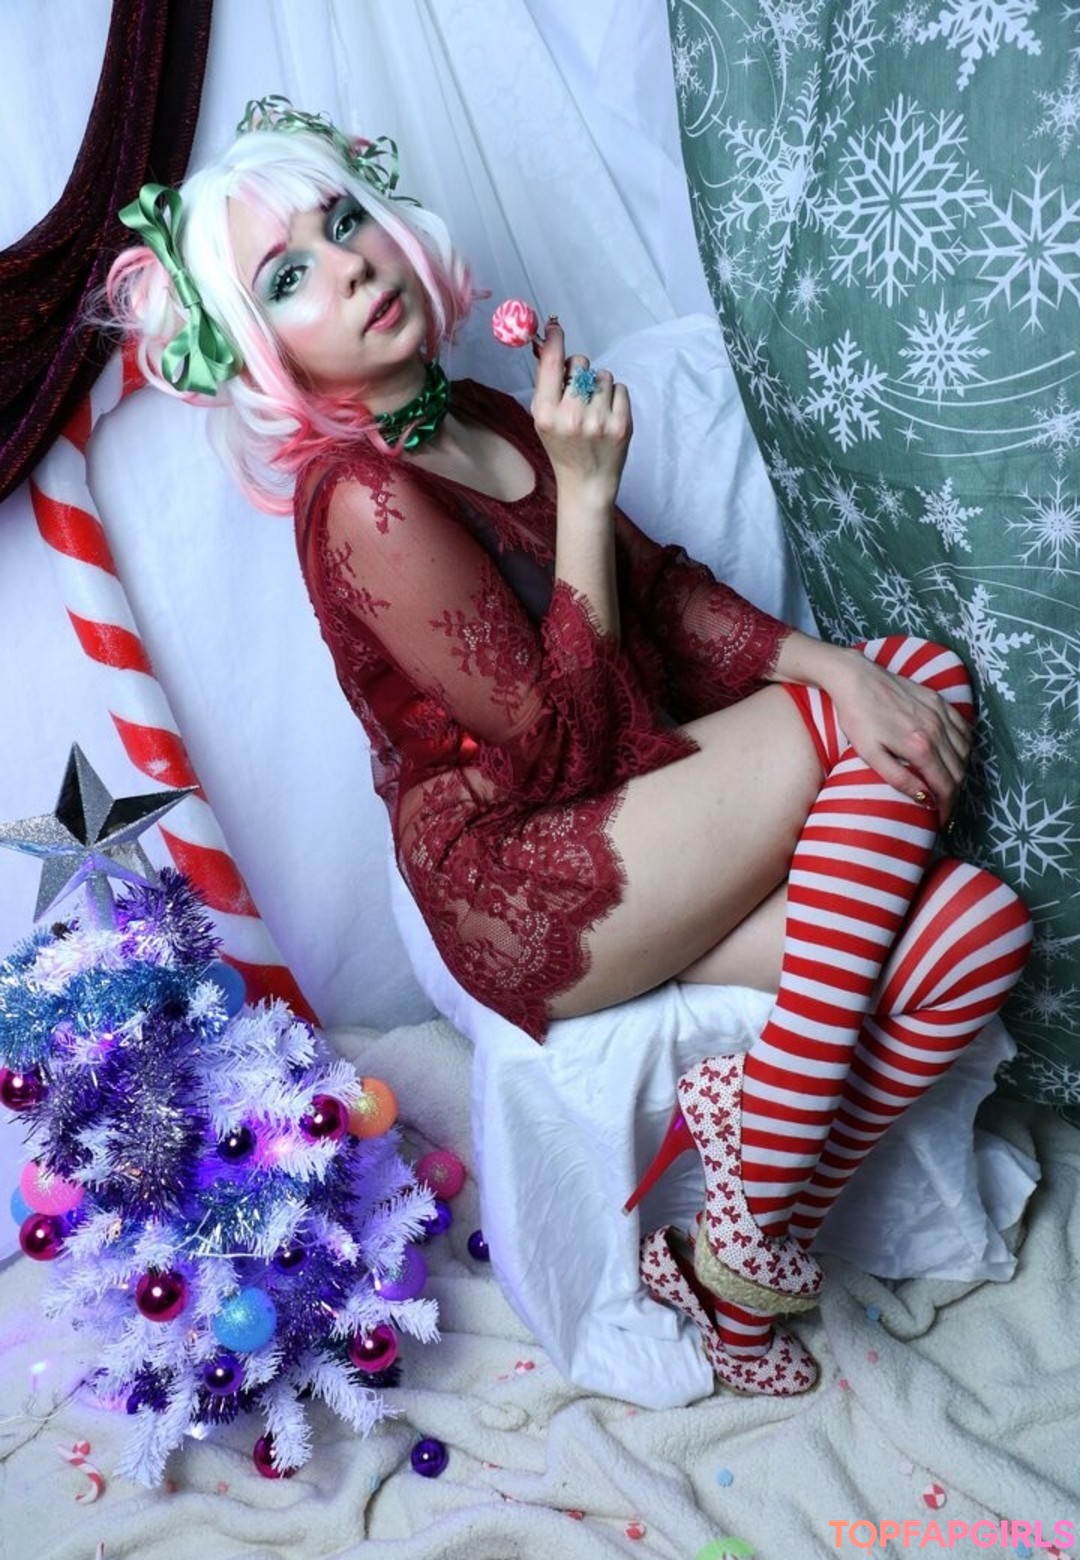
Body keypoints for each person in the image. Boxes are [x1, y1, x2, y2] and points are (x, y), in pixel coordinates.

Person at [107, 99, 1032, 1399]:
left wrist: (825, 661)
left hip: (633, 824)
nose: (350, 264)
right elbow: (555, 750)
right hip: (521, 880)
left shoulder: (483, 409)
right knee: (913, 682)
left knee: (978, 934)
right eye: (289, 277)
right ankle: (756, 1236)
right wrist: (586, 494)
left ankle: (733, 1222)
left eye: (344, 220)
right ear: (268, 354)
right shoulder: (362, 496)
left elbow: (663, 598)